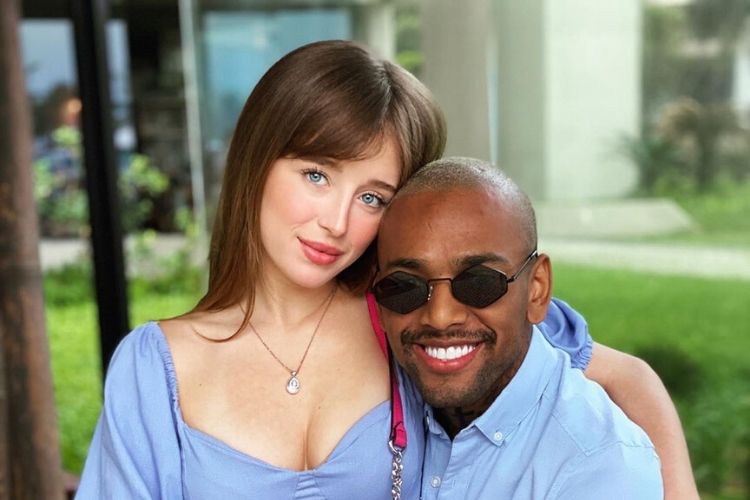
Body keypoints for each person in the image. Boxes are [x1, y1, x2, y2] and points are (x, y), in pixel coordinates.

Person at [76, 40, 695, 499]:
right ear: (257, 160)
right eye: (316, 175)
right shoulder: (154, 370)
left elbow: (628, 377)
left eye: (373, 196)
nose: (336, 222)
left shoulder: (415, 313)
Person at [373, 157, 664, 499]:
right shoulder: (376, 403)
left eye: (479, 283)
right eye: (404, 287)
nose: (440, 316)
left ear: (536, 290)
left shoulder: (601, 468)